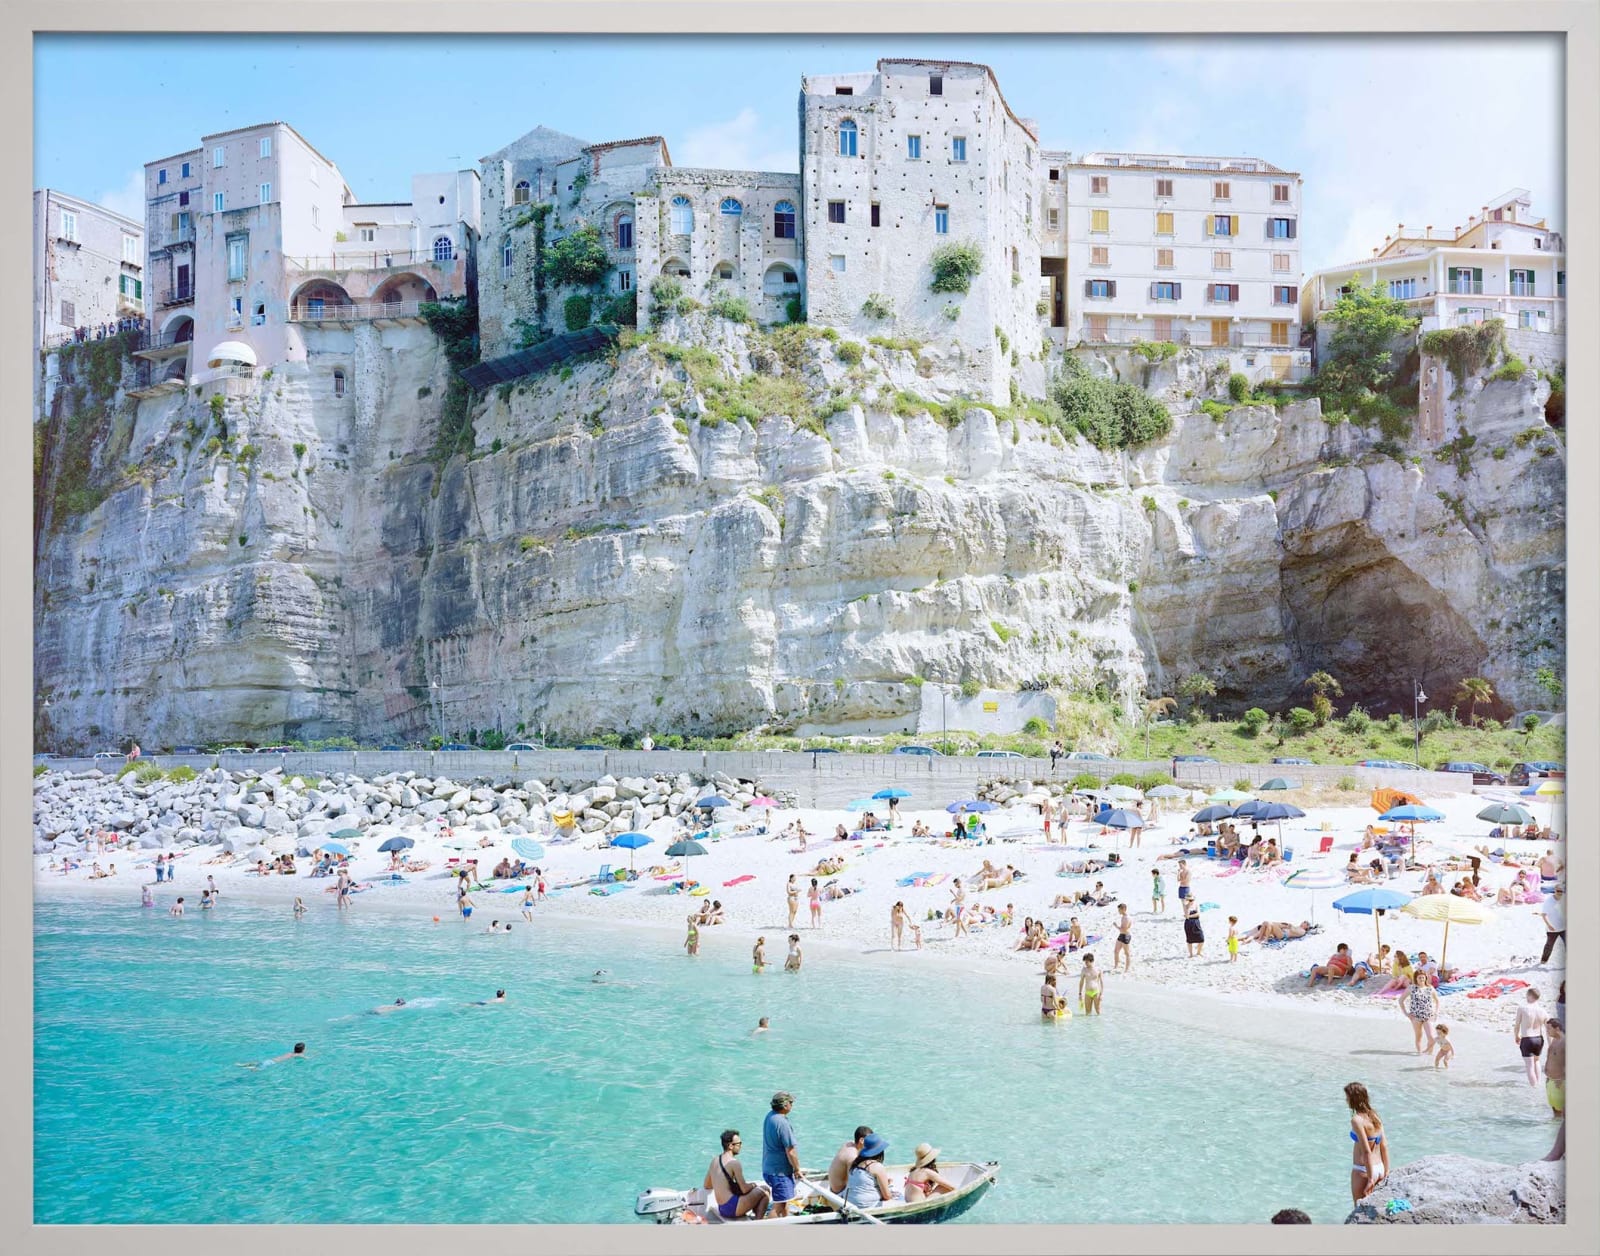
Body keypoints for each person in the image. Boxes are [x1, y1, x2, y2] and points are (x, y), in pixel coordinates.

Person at [704, 1129, 771, 1220]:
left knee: (754, 1191)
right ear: (731, 1146)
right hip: (732, 1208)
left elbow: (707, 1185)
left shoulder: (715, 1160)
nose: (741, 1146)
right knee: (765, 1190)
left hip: (722, 1208)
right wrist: (753, 1185)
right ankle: (758, 1222)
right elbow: (744, 1189)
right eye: (739, 1143)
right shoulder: (734, 1163)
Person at [1345, 1081, 1388, 1205]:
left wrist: (1370, 1178)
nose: (1346, 1100)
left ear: (1353, 1098)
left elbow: (1366, 1151)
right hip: (1380, 1167)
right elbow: (1384, 1145)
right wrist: (1386, 1170)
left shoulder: (1356, 1120)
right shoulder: (1374, 1115)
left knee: (1358, 1209)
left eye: (1347, 1097)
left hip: (1364, 1170)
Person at [762, 1092, 803, 1217]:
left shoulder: (770, 1116)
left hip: (768, 1169)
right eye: (791, 1102)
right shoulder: (783, 1123)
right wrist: (797, 1169)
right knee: (778, 1207)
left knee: (784, 1202)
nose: (792, 1105)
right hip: (780, 1173)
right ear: (785, 1105)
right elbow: (790, 1151)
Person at [844, 1133, 892, 1211]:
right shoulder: (877, 1166)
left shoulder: (855, 1163)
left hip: (849, 1203)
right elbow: (887, 1196)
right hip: (865, 1206)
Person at [1513, 988, 1548, 1088]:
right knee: (1536, 1061)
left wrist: (1516, 1036)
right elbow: (1548, 1025)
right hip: (1539, 1039)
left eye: (1526, 995)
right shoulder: (1542, 1011)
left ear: (1529, 996)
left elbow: (1517, 1025)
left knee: (1529, 1066)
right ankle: (1539, 1084)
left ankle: (1534, 1087)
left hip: (1527, 1038)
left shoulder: (1522, 1008)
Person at [1402, 970, 1440, 1055]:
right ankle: (1419, 1054)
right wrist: (1406, 1014)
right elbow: (1401, 1000)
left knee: (1431, 1038)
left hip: (1428, 1016)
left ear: (1426, 977)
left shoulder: (1430, 988)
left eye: (1423, 977)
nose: (1421, 979)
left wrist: (1436, 1013)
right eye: (1419, 977)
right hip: (1415, 1017)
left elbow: (1437, 1001)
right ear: (1416, 978)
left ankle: (1429, 1053)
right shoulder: (1411, 988)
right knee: (1418, 1036)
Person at [828, 1126, 873, 1193]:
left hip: (832, 1187)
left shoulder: (849, 1144)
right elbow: (853, 1183)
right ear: (861, 1140)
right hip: (839, 1192)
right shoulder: (852, 1157)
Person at [1543, 1020, 1565, 1117]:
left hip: (1559, 1083)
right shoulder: (1554, 1039)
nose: (1547, 1031)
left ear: (1557, 1029)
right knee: (1555, 1112)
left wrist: (1563, 1079)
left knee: (1562, 1112)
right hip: (1550, 1081)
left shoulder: (1565, 1042)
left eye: (1549, 1028)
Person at [1540, 886, 1565, 965]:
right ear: (1555, 891)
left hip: (1564, 928)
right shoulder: (1549, 901)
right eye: (1558, 891)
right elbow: (1543, 915)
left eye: (1561, 891)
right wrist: (1549, 925)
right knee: (1549, 946)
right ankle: (1543, 960)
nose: (1560, 893)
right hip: (1552, 929)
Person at [241, 1043, 307, 1069]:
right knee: (255, 1070)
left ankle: (243, 1065)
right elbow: (306, 1058)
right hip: (270, 1064)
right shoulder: (298, 1055)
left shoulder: (290, 1053)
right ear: (303, 1050)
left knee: (257, 1064)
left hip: (269, 1060)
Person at [1113, 904, 1132, 973]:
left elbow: (1123, 929)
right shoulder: (1123, 916)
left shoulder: (1126, 918)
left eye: (1119, 910)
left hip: (1125, 936)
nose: (1118, 911)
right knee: (1116, 951)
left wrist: (1116, 926)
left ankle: (1127, 969)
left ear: (1123, 909)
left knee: (1127, 953)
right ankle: (1116, 966)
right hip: (1121, 935)